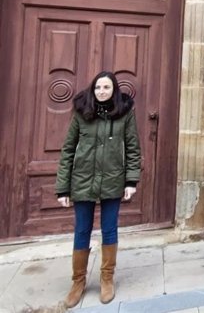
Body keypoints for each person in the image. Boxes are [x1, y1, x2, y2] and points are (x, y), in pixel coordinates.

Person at [55, 71, 141, 307]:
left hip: (113, 181)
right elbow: (68, 150)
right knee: (82, 230)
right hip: (83, 180)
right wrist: (63, 188)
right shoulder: (82, 114)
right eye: (98, 88)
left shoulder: (125, 114)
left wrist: (131, 182)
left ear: (114, 90)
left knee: (109, 230)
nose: (102, 91)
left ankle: (106, 279)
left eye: (107, 88)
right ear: (93, 90)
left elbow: (133, 148)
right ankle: (78, 282)